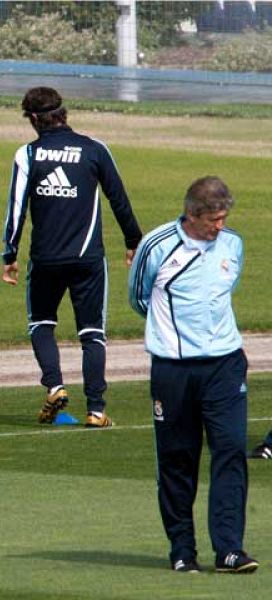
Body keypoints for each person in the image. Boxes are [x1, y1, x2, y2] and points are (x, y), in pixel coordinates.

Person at [128, 176, 257, 573]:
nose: (219, 226)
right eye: (213, 219)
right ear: (192, 214)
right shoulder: (157, 245)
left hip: (224, 364)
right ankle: (182, 549)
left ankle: (230, 549)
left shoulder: (232, 245)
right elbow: (138, 298)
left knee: (232, 450)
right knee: (177, 459)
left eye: (223, 218)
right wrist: (171, 335)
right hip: (173, 370)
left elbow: (223, 291)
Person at [0, 86, 142, 427]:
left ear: (35, 119)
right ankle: (96, 410)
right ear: (63, 113)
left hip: (45, 258)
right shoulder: (94, 149)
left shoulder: (28, 154)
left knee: (41, 324)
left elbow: (16, 208)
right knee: (92, 333)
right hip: (88, 259)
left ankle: (55, 385)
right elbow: (118, 198)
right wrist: (133, 241)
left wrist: (10, 253)